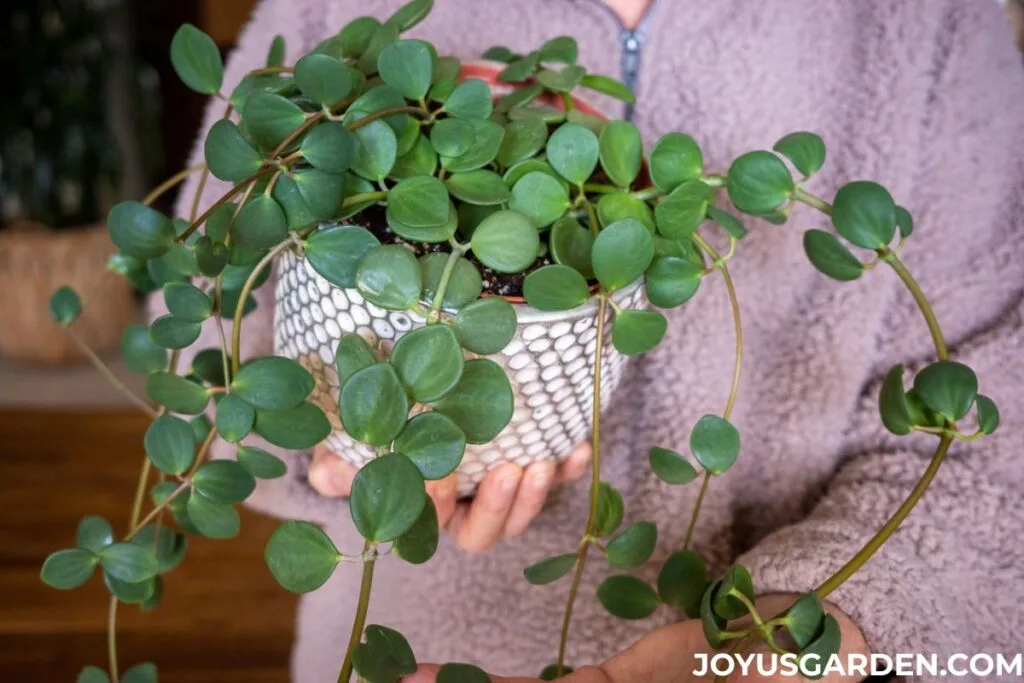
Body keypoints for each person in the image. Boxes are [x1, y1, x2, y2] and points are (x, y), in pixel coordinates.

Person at [159, 0, 1024, 681]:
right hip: (404, 645)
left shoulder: (926, 19)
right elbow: (203, 323)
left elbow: (993, 428)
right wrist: (331, 435)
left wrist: (813, 632)